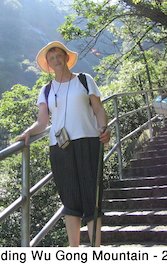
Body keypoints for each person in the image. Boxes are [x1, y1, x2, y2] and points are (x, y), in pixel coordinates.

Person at [16, 41, 111, 247]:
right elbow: (42, 122)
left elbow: (99, 109)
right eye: (52, 58)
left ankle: (96, 250)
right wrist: (28, 132)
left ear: (67, 57)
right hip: (60, 148)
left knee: (91, 199)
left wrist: (103, 128)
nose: (56, 60)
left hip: (89, 141)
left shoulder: (85, 80)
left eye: (59, 55)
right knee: (70, 200)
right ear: (48, 64)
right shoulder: (47, 89)